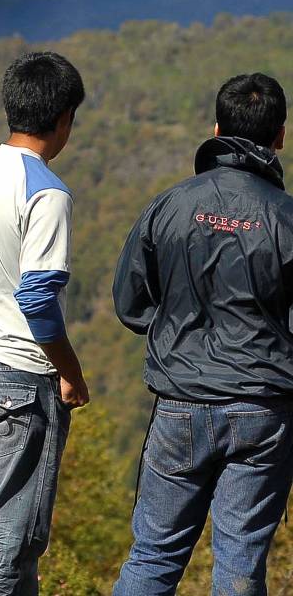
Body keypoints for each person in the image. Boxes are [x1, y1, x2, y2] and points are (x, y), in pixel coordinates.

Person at [113, 73, 293, 595]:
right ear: (279, 135)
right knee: (239, 566)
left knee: (152, 557)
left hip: (179, 404)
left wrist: (178, 334)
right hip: (264, 409)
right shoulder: (285, 219)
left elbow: (130, 301)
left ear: (216, 129)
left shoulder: (168, 206)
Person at [0, 51, 89, 596]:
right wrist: (70, 372)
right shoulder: (46, 190)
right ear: (63, 121)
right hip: (22, 382)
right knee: (10, 546)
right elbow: (37, 297)